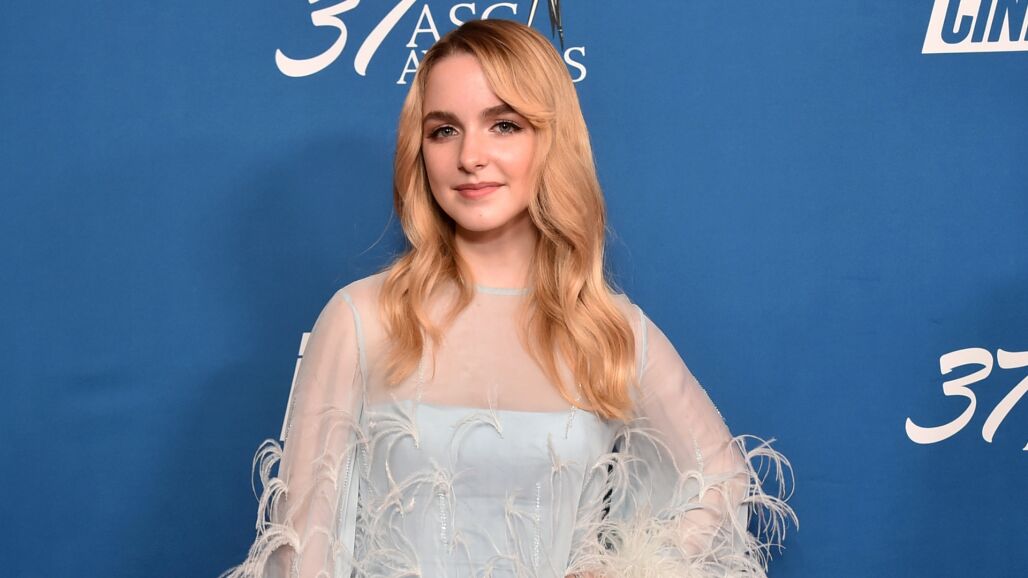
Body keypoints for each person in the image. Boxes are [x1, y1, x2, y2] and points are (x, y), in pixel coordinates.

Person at [222, 18, 796, 578]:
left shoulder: (608, 330)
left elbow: (722, 479)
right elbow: (301, 552)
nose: (470, 156)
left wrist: (624, 570)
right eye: (443, 130)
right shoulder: (362, 318)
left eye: (503, 125)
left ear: (552, 139)